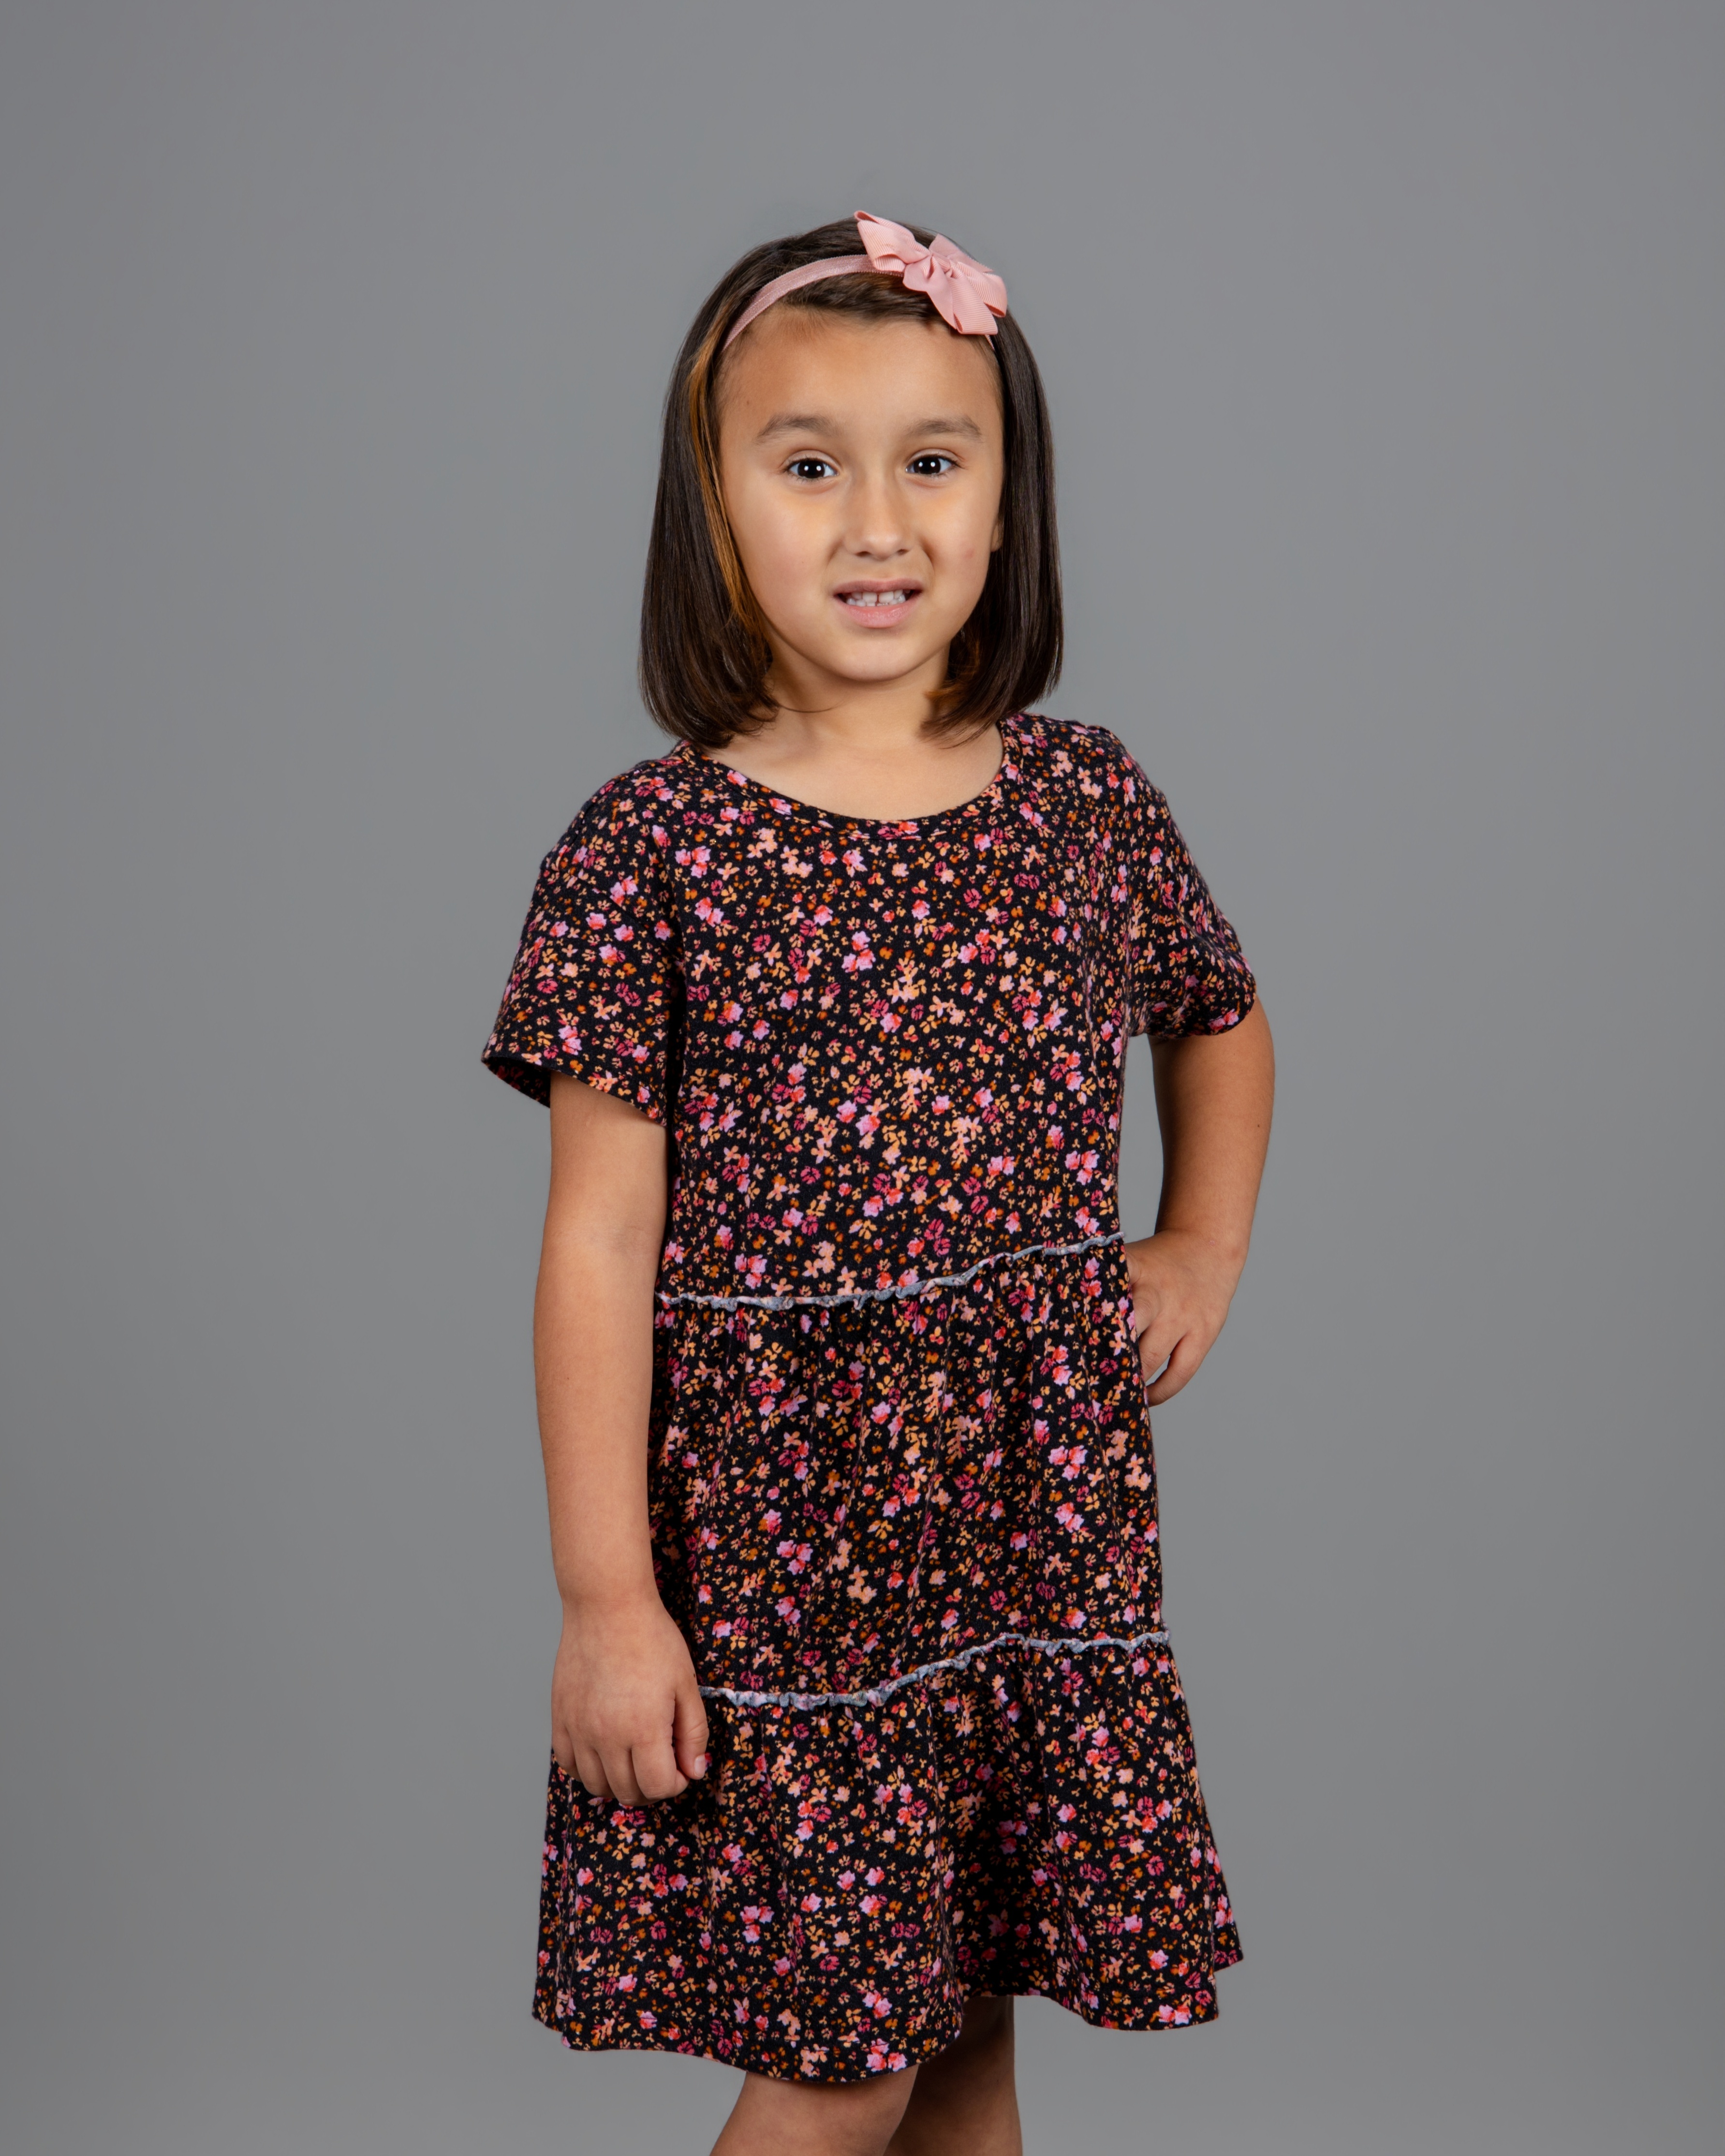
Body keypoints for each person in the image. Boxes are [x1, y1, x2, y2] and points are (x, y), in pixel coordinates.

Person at [482, 211, 1275, 2156]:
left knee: (966, 2035)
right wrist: (606, 1596)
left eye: (932, 459)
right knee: (845, 2060)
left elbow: (1220, 1015)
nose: (879, 521)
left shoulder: (1085, 802)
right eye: (808, 464)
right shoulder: (651, 853)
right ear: (715, 508)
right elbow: (595, 1239)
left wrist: (1197, 1241)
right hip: (788, 1555)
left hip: (1023, 1526)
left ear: (1007, 500)